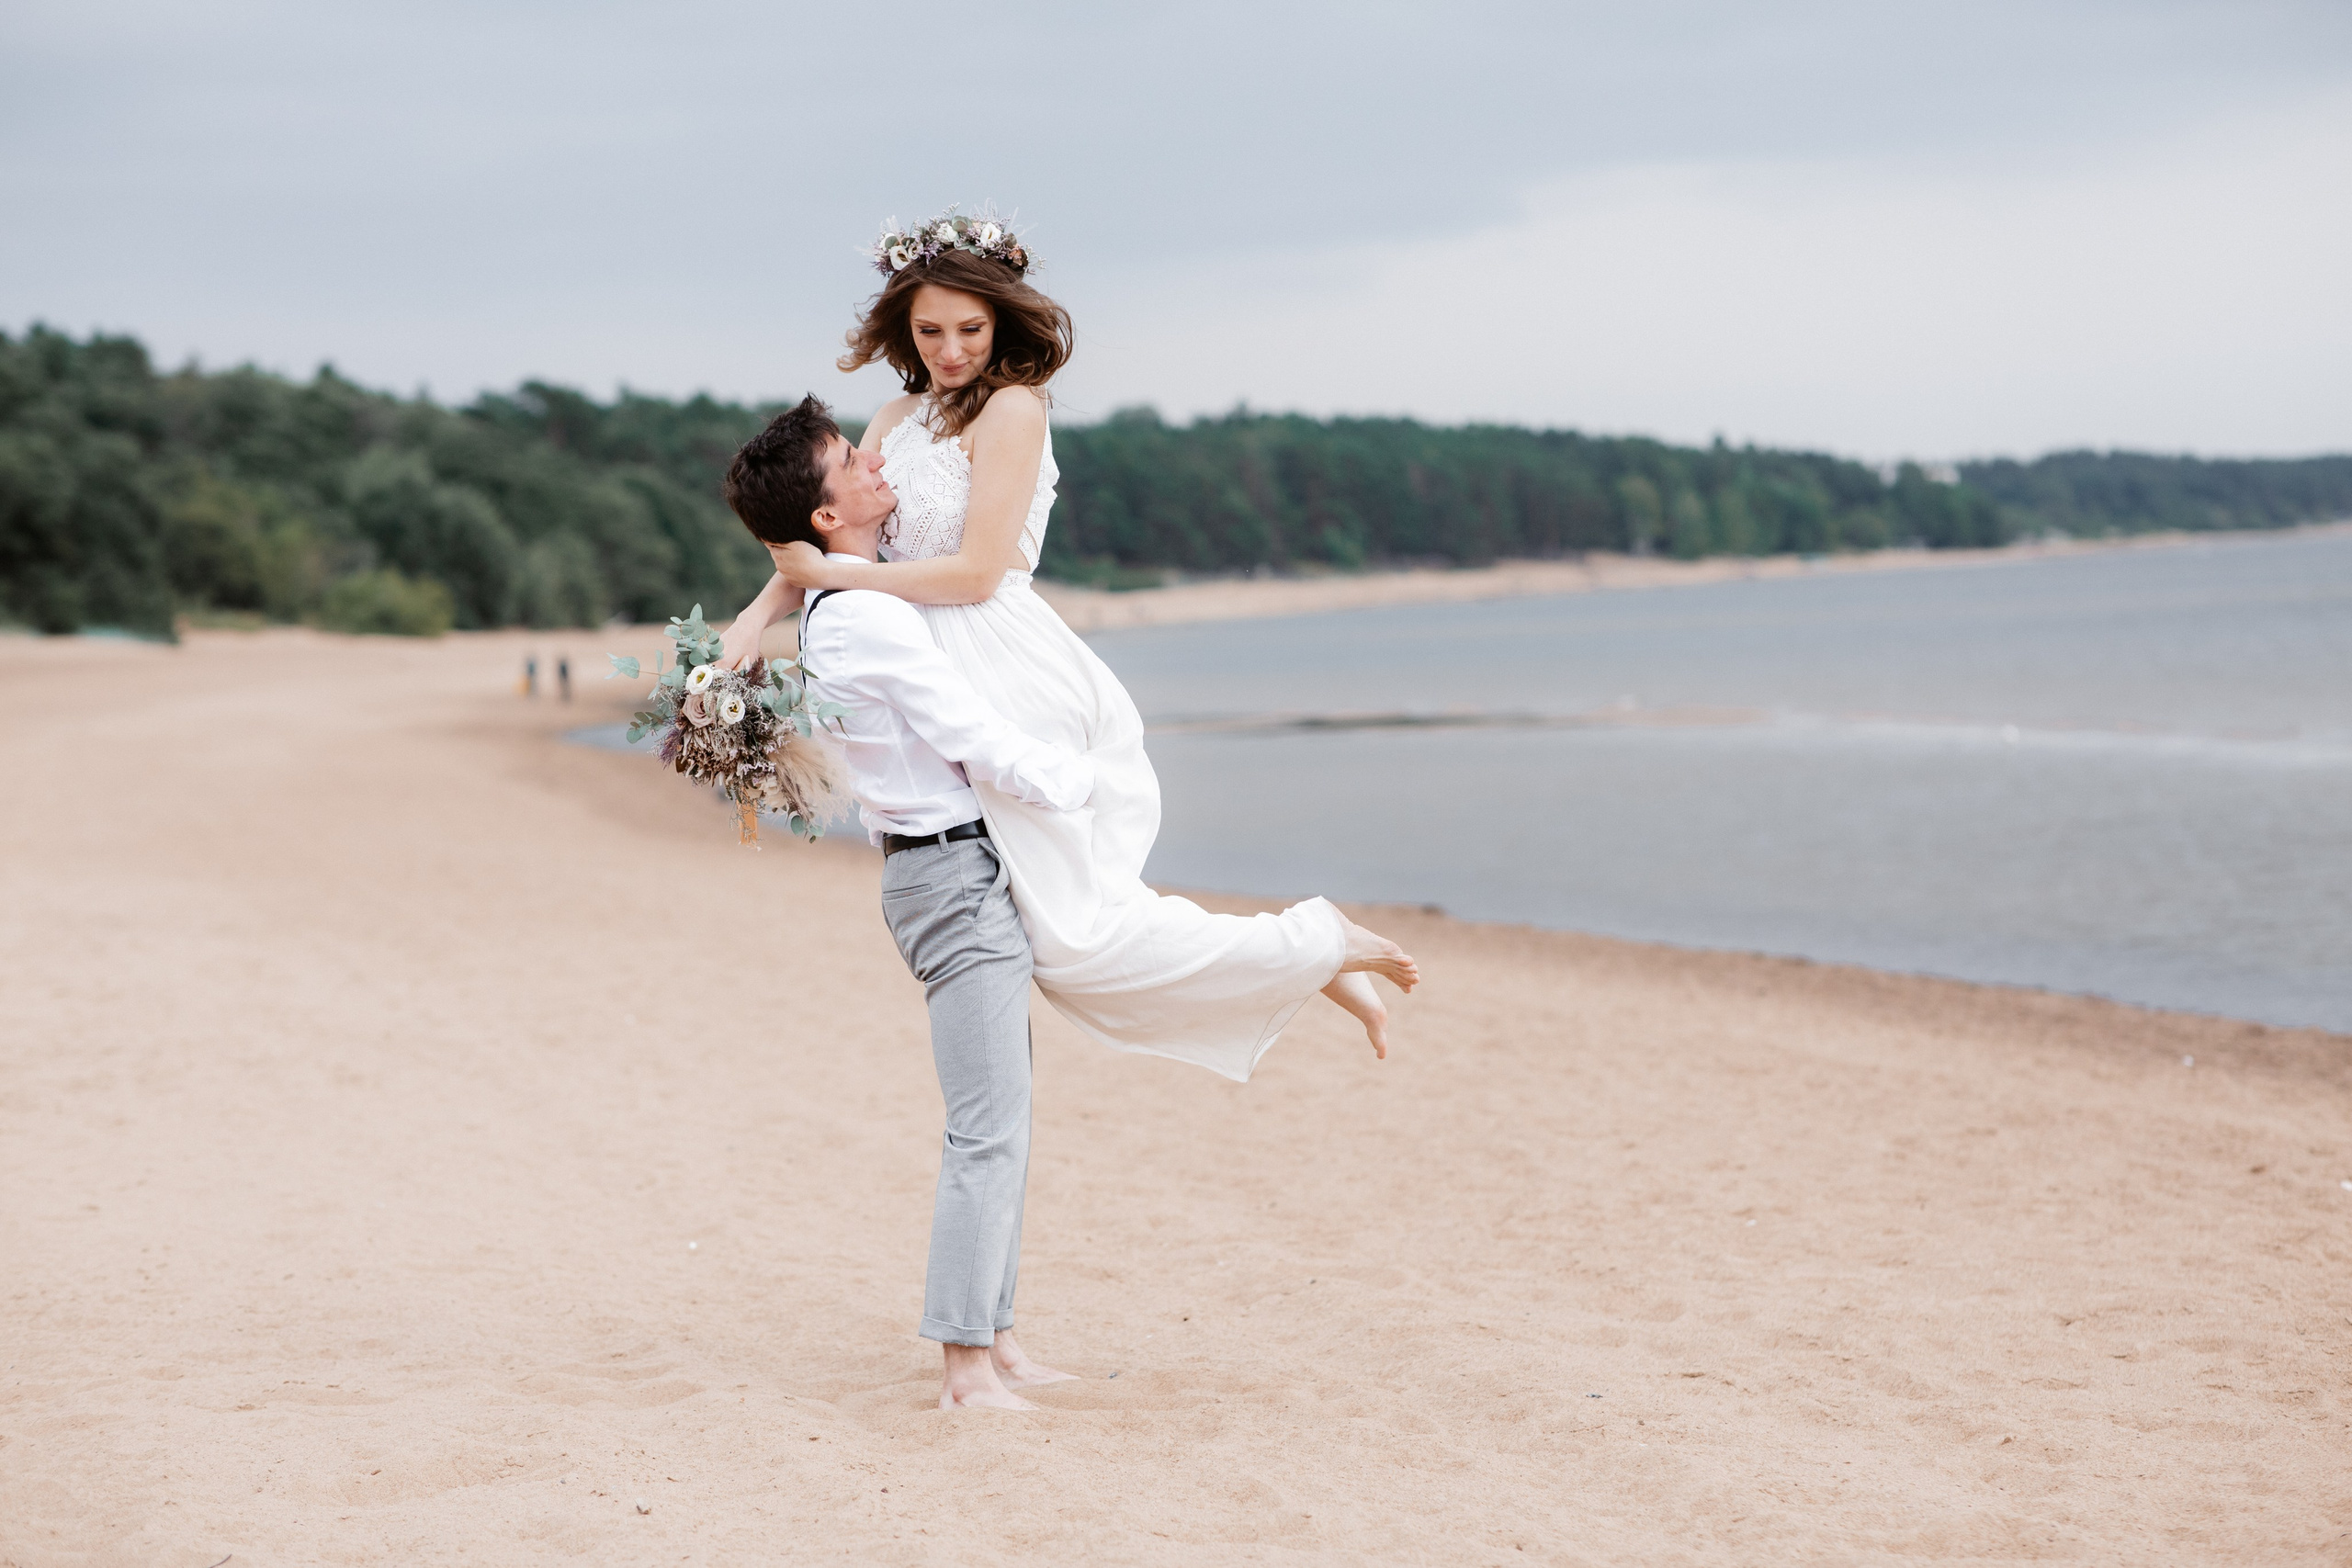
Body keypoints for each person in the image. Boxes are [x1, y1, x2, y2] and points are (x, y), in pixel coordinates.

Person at [719, 213, 1417, 1081]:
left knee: (1076, 935)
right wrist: (756, 616)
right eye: (929, 330)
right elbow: (824, 539)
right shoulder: (895, 415)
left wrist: (830, 580)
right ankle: (1310, 957)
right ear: (905, 327)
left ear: (1002, 322)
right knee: (1071, 926)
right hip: (930, 660)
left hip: (1006, 660)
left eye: (970, 329)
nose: (949, 350)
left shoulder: (1015, 407)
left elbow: (973, 573)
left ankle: (1313, 945)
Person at [724, 398, 1095, 1410]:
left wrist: (764, 605)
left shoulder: (843, 602)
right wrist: (1087, 783)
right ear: (829, 517)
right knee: (985, 1127)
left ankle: (1000, 1338)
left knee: (1004, 1118)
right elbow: (971, 733)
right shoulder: (868, 616)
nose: (875, 460)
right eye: (851, 459)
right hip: (949, 875)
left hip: (948, 869)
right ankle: (966, 1368)